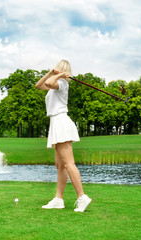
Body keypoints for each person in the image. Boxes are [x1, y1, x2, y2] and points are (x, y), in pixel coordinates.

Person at [35, 59, 92, 212]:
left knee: (68, 163)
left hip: (61, 122)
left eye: (56, 69)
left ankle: (82, 197)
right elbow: (39, 85)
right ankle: (58, 199)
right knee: (60, 165)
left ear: (61, 70)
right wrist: (50, 73)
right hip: (56, 122)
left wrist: (58, 75)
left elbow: (48, 83)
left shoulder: (62, 84)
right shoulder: (54, 85)